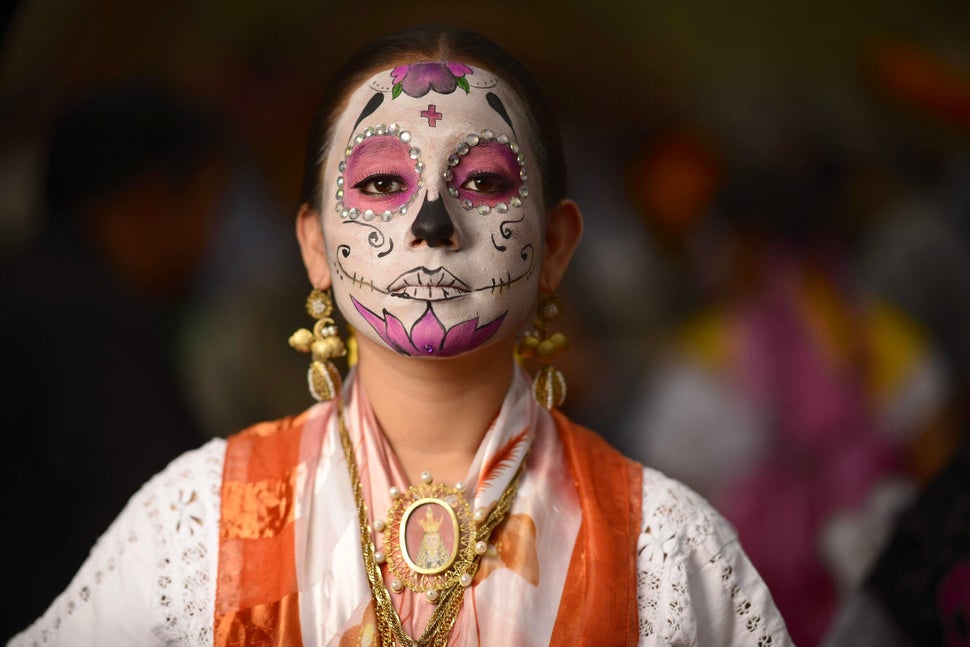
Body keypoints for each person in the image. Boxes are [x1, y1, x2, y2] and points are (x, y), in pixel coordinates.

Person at [10, 27, 791, 646]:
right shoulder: (198, 523)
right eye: (382, 183)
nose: (431, 224)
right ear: (315, 244)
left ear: (555, 244)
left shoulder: (665, 548)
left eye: (483, 181)